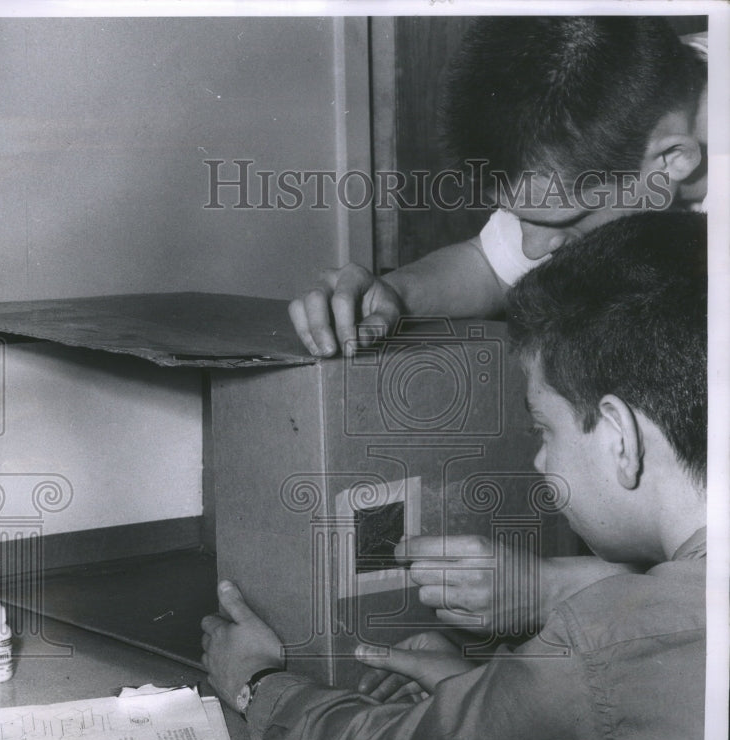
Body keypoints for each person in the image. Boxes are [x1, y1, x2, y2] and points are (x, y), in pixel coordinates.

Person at [201, 211, 707, 740]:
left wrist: (255, 682)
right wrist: (488, 698)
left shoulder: (602, 646)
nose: (541, 460)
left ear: (620, 438)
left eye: (544, 428)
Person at [287, 15, 707, 645]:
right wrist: (393, 291)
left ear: (672, 159)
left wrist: (555, 591)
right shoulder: (621, 119)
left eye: (562, 218)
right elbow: (490, 262)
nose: (534, 248)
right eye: (520, 216)